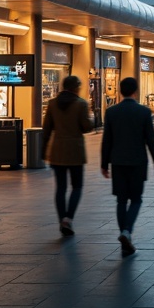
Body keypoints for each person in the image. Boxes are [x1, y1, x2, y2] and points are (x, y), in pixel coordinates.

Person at [101, 77, 154, 256]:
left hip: (118, 162)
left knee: (121, 200)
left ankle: (124, 235)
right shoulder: (143, 112)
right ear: (136, 91)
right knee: (136, 199)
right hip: (137, 162)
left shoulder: (111, 112)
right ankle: (127, 231)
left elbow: (107, 141)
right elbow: (151, 139)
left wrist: (104, 164)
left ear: (120, 91)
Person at [42, 74, 95, 236]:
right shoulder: (81, 104)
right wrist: (92, 119)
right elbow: (86, 127)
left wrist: (43, 151)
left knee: (60, 188)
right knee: (77, 186)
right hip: (75, 151)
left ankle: (61, 220)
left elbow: (46, 129)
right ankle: (68, 219)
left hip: (57, 151)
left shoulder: (52, 104)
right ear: (75, 87)